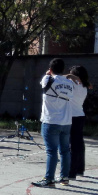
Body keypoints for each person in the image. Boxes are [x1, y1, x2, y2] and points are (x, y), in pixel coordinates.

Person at [32, 58, 75, 187]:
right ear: (63, 70)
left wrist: (48, 74)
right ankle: (64, 177)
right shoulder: (70, 83)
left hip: (51, 120)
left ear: (50, 69)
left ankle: (49, 179)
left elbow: (43, 82)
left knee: (51, 151)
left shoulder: (48, 79)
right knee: (65, 151)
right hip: (66, 121)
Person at [66, 65, 91, 180]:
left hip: (73, 117)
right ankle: (80, 169)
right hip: (80, 115)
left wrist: (70, 76)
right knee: (79, 144)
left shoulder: (73, 84)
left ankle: (71, 172)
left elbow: (61, 78)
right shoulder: (84, 85)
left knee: (73, 146)